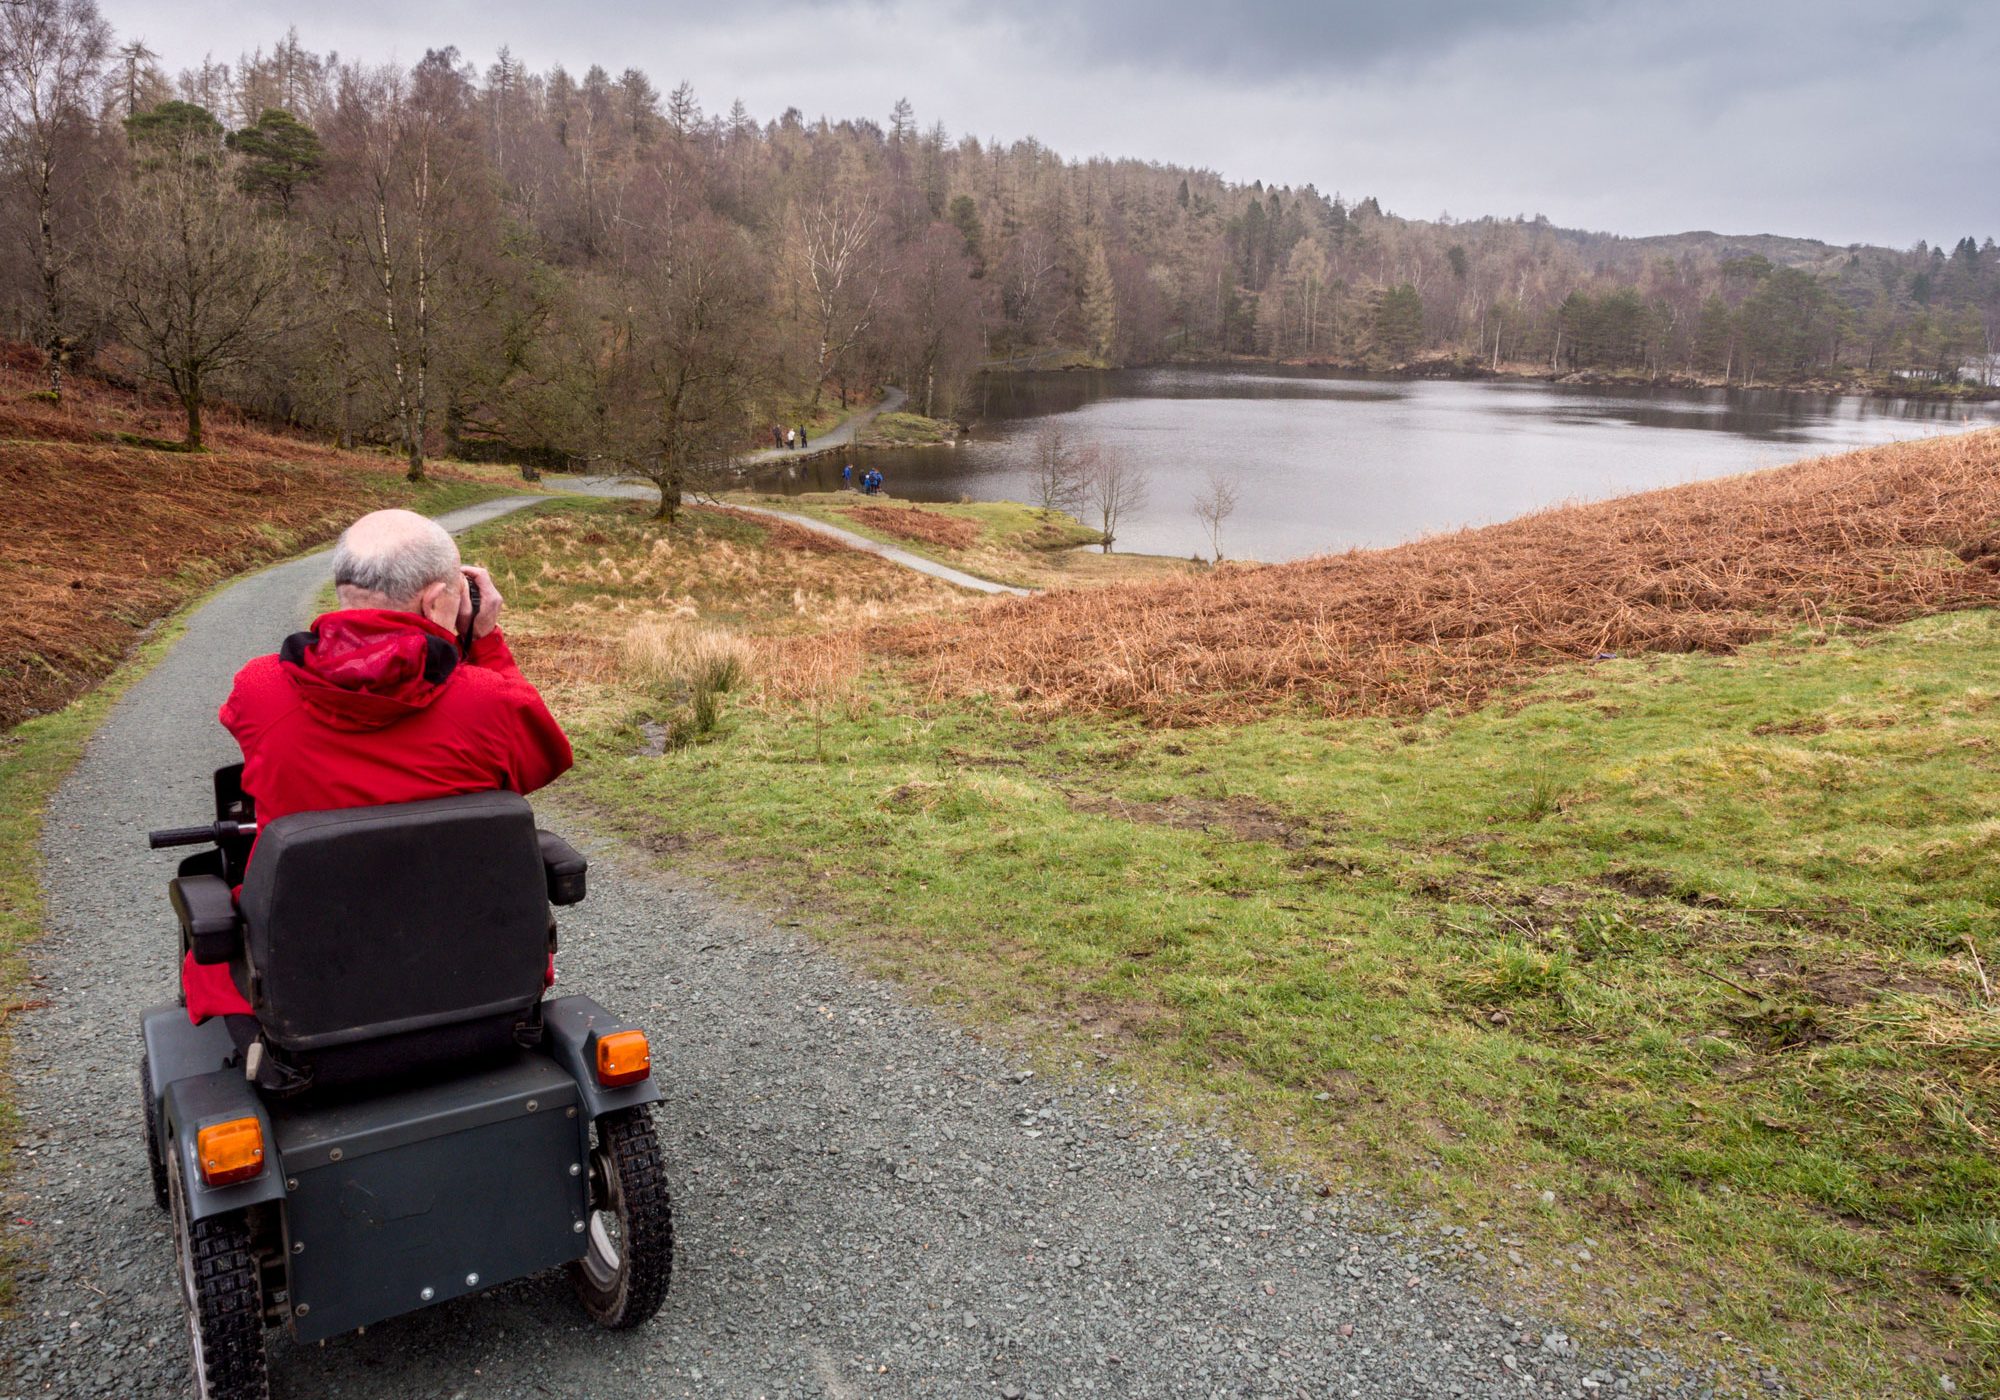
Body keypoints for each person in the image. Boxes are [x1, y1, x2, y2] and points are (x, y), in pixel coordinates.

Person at [180, 509, 573, 1025]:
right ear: (437, 600)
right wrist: (481, 644)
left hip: (302, 974)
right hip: (469, 963)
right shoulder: (488, 699)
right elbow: (542, 761)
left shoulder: (259, 689)